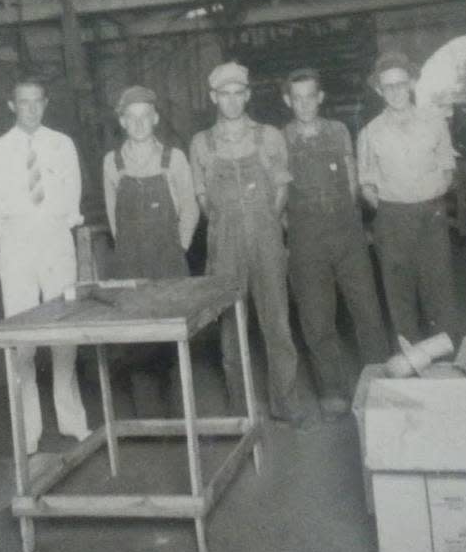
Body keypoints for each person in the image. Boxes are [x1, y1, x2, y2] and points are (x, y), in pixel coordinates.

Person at [189, 62, 308, 426]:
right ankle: (242, 409)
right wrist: (228, 224)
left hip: (266, 235)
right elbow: (202, 199)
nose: (232, 101)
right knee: (230, 327)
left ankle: (286, 404)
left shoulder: (269, 136)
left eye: (238, 93)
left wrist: (265, 223)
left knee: (277, 323)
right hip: (225, 240)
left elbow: (282, 188)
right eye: (224, 94)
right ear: (214, 98)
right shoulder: (202, 143)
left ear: (247, 95)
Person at [0, 75, 91, 455]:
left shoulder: (62, 145)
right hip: (16, 243)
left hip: (56, 238)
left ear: (46, 103)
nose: (30, 108)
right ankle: (28, 431)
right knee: (22, 335)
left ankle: (72, 420)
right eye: (22, 101)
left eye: (37, 101)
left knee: (65, 329)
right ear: (12, 105)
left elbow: (73, 193)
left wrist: (62, 223)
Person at [281, 67, 390, 417]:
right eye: (297, 98)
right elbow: (279, 193)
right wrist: (294, 231)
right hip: (305, 235)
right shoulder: (279, 139)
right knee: (316, 317)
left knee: (367, 309)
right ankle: (333, 390)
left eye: (310, 96)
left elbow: (351, 176)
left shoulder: (339, 131)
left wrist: (353, 221)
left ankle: (380, 382)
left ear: (320, 98)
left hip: (346, 230)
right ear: (288, 101)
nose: (304, 104)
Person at [102, 85, 200, 414]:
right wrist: (129, 251)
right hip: (130, 263)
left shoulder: (174, 158)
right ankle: (148, 420)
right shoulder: (112, 163)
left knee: (173, 343)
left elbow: (190, 209)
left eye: (145, 116)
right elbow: (113, 215)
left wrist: (179, 248)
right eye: (132, 118)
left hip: (168, 260)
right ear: (123, 122)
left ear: (155, 118)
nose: (139, 123)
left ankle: (180, 416)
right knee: (136, 342)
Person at [357, 51, 460, 344]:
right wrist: (395, 206)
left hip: (431, 216)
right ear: (379, 90)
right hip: (391, 220)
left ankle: (447, 368)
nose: (395, 92)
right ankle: (410, 369)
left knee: (439, 295)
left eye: (400, 84)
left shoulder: (435, 121)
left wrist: (428, 198)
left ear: (411, 83)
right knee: (399, 298)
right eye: (388, 86)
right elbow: (366, 185)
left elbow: (447, 168)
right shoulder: (369, 133)